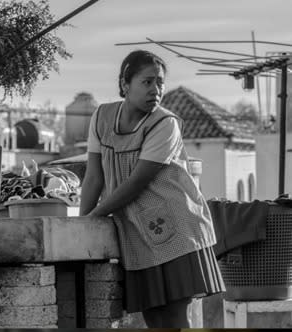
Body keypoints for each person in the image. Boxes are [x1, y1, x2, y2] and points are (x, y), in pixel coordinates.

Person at [79, 50, 225, 328]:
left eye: (160, 82)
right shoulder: (101, 117)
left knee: (176, 317)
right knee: (153, 318)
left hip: (177, 229)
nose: (156, 90)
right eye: (147, 82)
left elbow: (136, 182)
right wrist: (81, 226)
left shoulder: (165, 123)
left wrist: (93, 217)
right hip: (136, 235)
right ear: (125, 83)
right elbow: (94, 178)